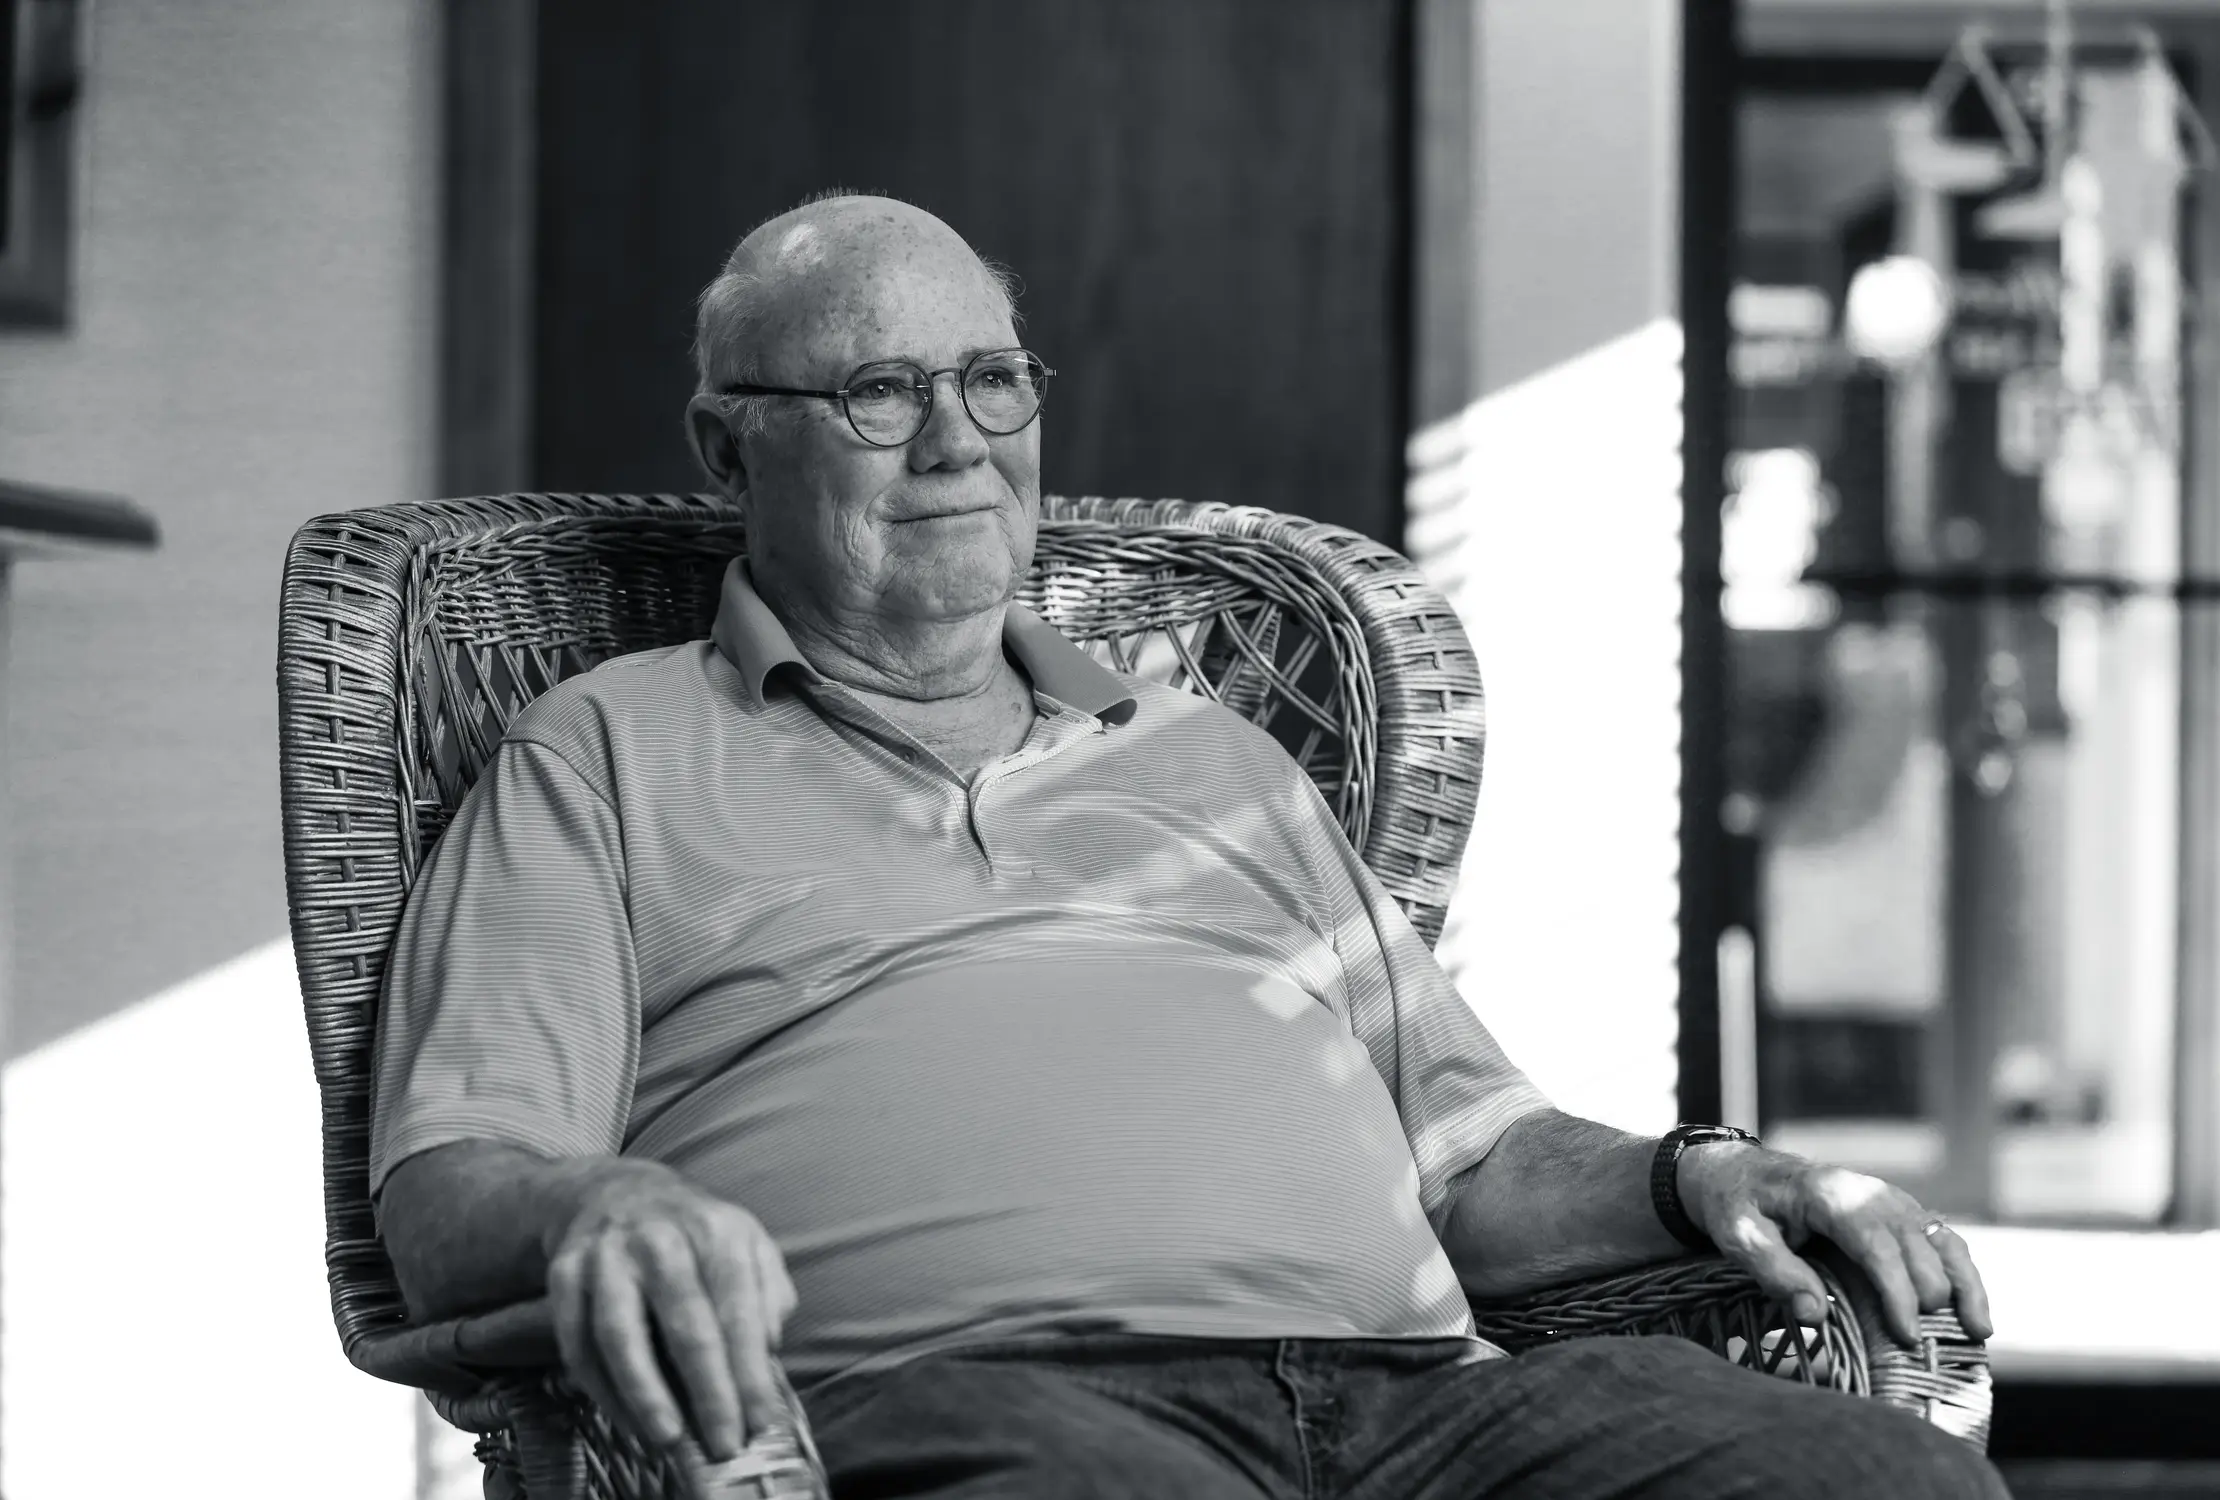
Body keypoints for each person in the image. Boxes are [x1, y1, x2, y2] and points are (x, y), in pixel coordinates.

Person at [370, 192, 2006, 1499]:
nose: (957, 441)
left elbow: (1478, 1155)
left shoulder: (1209, 756)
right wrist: (596, 1211)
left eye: (991, 378)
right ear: (728, 449)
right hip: (995, 1407)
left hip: (1441, 1420)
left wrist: (1703, 1170)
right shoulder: (604, 753)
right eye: (878, 391)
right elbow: (450, 1190)